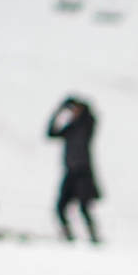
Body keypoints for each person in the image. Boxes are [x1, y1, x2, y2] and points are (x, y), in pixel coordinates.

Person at [48, 96, 101, 243]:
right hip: (70, 172)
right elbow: (51, 133)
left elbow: (92, 117)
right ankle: (68, 236)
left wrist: (79, 105)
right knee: (60, 208)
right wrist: (58, 112)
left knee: (84, 208)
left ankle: (94, 237)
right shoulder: (70, 128)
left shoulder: (86, 125)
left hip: (83, 172)